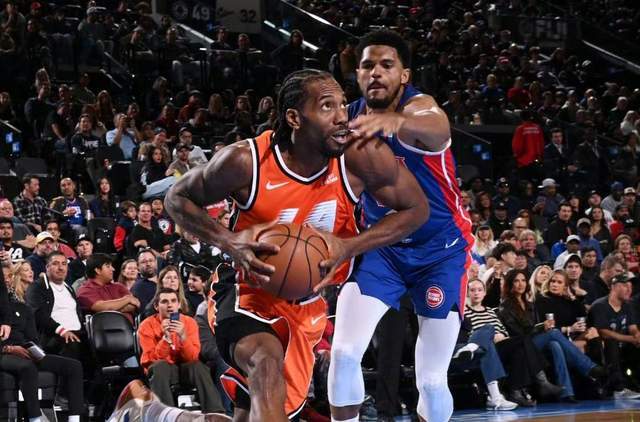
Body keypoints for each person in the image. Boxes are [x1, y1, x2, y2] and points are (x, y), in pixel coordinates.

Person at [165, 68, 428, 422]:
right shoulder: (246, 162)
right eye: (327, 106)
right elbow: (176, 198)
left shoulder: (360, 156)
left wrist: (350, 246)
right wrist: (229, 241)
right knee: (266, 362)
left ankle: (152, 413)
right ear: (294, 118)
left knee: (255, 412)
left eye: (343, 105)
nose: (342, 116)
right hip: (245, 292)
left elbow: (416, 209)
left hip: (307, 304)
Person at [328, 30, 473, 422]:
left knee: (431, 380)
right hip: (383, 249)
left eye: (386, 65)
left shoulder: (420, 107)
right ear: (357, 74)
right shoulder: (348, 118)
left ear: (404, 75)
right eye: (367, 65)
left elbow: (437, 127)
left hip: (441, 252)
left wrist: (394, 121)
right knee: (344, 353)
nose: (375, 72)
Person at [498, 270, 604, 402]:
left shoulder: (529, 304)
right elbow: (518, 333)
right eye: (516, 281)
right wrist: (542, 327)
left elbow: (535, 326)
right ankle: (589, 367)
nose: (521, 284)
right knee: (554, 333)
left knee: (555, 345)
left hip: (534, 341)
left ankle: (566, 392)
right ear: (510, 284)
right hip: (521, 344)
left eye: (523, 280)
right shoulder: (505, 306)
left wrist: (542, 327)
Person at [0, 263, 85, 422]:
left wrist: (35, 350)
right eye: (3, 277)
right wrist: (9, 348)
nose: (6, 280)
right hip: (4, 353)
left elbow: (33, 338)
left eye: (9, 276)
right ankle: (35, 418)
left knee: (74, 366)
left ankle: (74, 418)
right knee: (27, 366)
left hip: (26, 351)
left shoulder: (23, 308)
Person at [461, 278, 550, 407]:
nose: (476, 293)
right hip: (484, 347)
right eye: (472, 290)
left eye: (479, 290)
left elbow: (503, 330)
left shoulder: (490, 311)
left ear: (484, 293)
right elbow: (470, 335)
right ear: (467, 293)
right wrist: (492, 337)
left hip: (502, 344)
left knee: (520, 350)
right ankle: (538, 382)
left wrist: (502, 336)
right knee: (523, 341)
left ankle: (516, 391)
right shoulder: (465, 312)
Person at [138, 288, 226, 414]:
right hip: (162, 371)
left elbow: (192, 357)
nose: (169, 305)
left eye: (173, 301)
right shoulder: (146, 325)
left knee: (198, 366)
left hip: (185, 369)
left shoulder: (189, 322)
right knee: (159, 367)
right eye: (164, 301)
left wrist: (183, 337)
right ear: (156, 306)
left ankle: (216, 413)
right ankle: (166, 415)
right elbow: (149, 360)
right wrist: (165, 339)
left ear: (179, 305)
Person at [25, 251, 86, 361]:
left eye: (64, 264)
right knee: (73, 349)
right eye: (55, 264)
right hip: (54, 337)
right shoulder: (37, 287)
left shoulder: (68, 287)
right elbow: (37, 314)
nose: (61, 268)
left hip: (77, 334)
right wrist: (62, 331)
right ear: (47, 267)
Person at [588, 274, 640, 399]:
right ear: (614, 287)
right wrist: (630, 339)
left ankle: (635, 384)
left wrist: (637, 336)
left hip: (623, 345)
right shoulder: (600, 305)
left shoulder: (627, 305)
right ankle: (619, 389)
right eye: (625, 286)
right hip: (600, 348)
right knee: (611, 343)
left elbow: (632, 327)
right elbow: (603, 332)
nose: (629, 289)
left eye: (631, 286)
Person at [77, 253, 140, 322]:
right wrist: (127, 299)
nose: (113, 269)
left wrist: (111, 308)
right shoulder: (85, 290)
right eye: (108, 266)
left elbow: (134, 305)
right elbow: (100, 307)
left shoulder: (119, 286)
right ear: (98, 270)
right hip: (104, 328)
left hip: (129, 327)